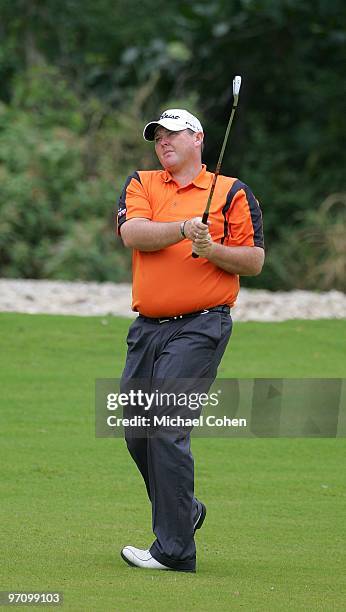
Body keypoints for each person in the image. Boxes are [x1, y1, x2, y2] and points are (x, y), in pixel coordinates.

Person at [116, 108, 264, 573]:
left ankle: (175, 551)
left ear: (198, 138)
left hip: (201, 325)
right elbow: (132, 233)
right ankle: (186, 512)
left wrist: (211, 249)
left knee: (165, 426)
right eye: (158, 136)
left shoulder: (231, 191)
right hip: (147, 328)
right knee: (137, 433)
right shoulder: (142, 183)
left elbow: (254, 260)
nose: (164, 142)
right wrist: (183, 230)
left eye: (173, 134)